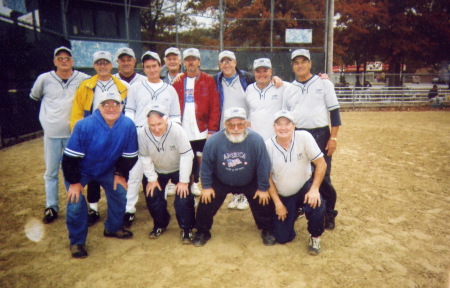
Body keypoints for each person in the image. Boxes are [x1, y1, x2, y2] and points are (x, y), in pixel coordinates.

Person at [62, 90, 138, 258]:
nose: (111, 108)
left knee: (119, 192)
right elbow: (69, 159)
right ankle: (77, 241)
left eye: (115, 104)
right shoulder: (84, 125)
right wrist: (74, 183)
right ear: (98, 107)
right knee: (75, 202)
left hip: (107, 168)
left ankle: (113, 227)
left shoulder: (127, 125)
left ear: (121, 106)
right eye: (106, 104)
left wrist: (119, 173)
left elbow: (130, 155)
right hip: (80, 170)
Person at [193, 107, 275, 247]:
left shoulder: (256, 140)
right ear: (225, 125)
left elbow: (263, 164)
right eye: (231, 125)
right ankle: (202, 231)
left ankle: (267, 229)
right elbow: (206, 165)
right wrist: (206, 186)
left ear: (246, 124)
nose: (236, 128)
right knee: (206, 201)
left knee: (264, 200)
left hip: (249, 180)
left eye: (240, 124)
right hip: (222, 180)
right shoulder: (214, 141)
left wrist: (262, 188)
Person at [282, 48, 342, 230]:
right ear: (292, 66)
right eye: (296, 62)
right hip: (297, 134)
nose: (300, 65)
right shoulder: (289, 89)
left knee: (323, 176)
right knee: (301, 175)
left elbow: (335, 112)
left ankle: (329, 213)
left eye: (303, 61)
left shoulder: (323, 84)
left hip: (320, 134)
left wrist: (333, 138)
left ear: (310, 63)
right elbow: (285, 117)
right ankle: (304, 207)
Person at [70, 50, 130, 227]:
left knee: (115, 172)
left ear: (111, 65)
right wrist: (79, 136)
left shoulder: (122, 86)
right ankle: (93, 208)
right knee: (93, 172)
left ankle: (120, 212)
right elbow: (77, 112)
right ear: (94, 66)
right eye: (99, 63)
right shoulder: (86, 85)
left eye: (106, 63)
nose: (102, 66)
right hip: (93, 135)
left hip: (115, 134)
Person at [30, 46, 89, 224]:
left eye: (67, 58)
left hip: (74, 135)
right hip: (52, 134)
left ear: (72, 61)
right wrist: (46, 121)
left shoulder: (83, 78)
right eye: (60, 58)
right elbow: (34, 97)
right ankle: (51, 207)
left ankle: (76, 206)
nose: (64, 61)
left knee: (72, 171)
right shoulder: (44, 79)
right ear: (55, 61)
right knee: (51, 171)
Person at [123, 51, 181, 227]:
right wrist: (132, 130)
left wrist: (168, 133)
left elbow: (176, 115)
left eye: (154, 65)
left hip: (163, 135)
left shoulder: (170, 89)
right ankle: (129, 210)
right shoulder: (136, 87)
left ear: (159, 66)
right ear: (144, 68)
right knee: (135, 174)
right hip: (140, 134)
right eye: (147, 66)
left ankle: (160, 210)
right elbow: (130, 111)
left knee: (159, 173)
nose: (151, 69)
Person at [265, 110, 326, 255]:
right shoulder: (267, 146)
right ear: (274, 127)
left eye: (287, 123)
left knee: (316, 202)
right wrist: (278, 204)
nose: (283, 128)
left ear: (294, 125)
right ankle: (296, 211)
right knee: (283, 237)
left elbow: (321, 164)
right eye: (279, 124)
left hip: (304, 187)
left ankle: (315, 236)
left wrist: (314, 189)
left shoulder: (304, 137)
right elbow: (266, 177)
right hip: (284, 194)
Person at [138, 104, 195, 243]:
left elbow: (187, 155)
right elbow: (144, 157)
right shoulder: (142, 133)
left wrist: (183, 181)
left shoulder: (177, 130)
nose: (156, 129)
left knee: (183, 196)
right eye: (152, 125)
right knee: (152, 194)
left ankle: (187, 228)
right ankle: (160, 223)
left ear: (166, 119)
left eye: (159, 124)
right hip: (158, 169)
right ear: (147, 122)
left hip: (178, 168)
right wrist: (151, 179)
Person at [172, 48, 220, 197]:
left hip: (201, 127)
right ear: (184, 62)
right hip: (183, 127)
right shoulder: (178, 81)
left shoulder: (208, 80)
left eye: (194, 59)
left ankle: (204, 183)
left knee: (203, 157)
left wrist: (212, 129)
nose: (191, 62)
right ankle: (190, 183)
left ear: (199, 61)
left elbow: (215, 106)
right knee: (187, 155)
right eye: (187, 59)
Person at [245, 58, 289, 141]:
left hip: (276, 140)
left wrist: (321, 78)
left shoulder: (282, 86)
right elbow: (249, 115)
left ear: (271, 72)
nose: (261, 74)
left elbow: (299, 86)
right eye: (258, 71)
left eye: (265, 71)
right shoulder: (249, 89)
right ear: (254, 73)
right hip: (256, 141)